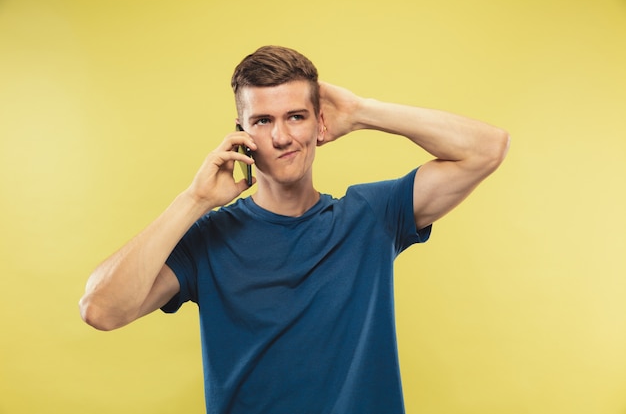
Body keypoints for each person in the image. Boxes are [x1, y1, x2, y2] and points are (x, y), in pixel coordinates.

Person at [79, 45, 509, 413]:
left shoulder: (372, 216)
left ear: (319, 123)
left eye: (297, 116)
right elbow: (101, 310)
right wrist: (195, 200)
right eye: (263, 121)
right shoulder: (209, 237)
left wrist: (361, 112)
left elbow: (487, 148)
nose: (282, 136)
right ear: (241, 136)